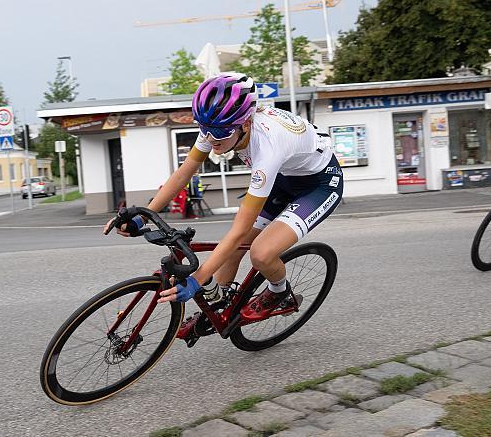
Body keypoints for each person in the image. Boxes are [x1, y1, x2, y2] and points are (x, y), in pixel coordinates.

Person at [105, 72, 343, 318]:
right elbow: (184, 173)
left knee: (261, 253)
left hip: (319, 185)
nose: (210, 139)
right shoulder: (218, 126)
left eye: (219, 133)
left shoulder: (268, 146)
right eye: (204, 130)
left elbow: (240, 228)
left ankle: (280, 292)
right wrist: (144, 216)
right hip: (283, 178)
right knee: (232, 249)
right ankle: (220, 306)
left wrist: (198, 278)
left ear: (246, 124)